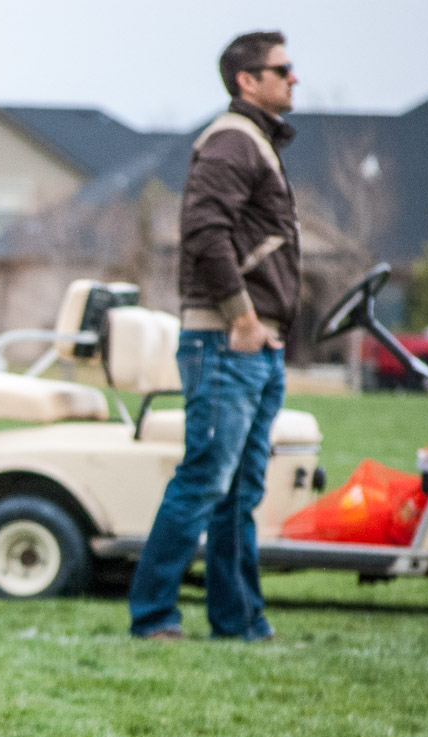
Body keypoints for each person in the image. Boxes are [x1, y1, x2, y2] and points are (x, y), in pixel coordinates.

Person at [128, 31, 300, 642]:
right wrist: (242, 317)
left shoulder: (255, 142)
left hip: (255, 345)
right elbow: (204, 232)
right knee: (205, 480)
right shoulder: (232, 141)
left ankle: (239, 621)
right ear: (247, 80)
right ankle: (153, 615)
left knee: (239, 492)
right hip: (228, 341)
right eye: (282, 68)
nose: (294, 78)